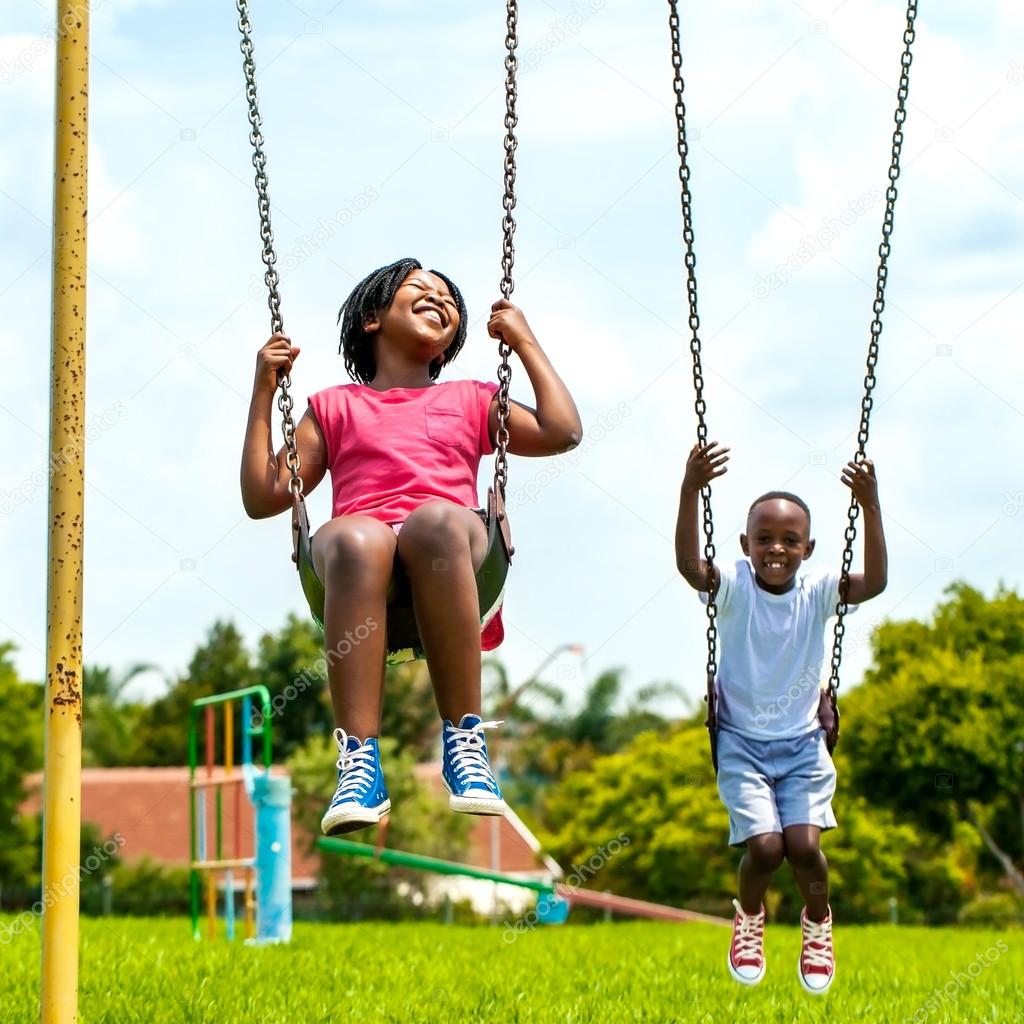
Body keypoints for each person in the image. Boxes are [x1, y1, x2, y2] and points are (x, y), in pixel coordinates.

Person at [241, 258, 581, 836]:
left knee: (432, 524)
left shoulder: (473, 398)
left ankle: (465, 743)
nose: (439, 300)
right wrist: (261, 391)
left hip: (452, 547)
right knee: (357, 534)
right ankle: (359, 762)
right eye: (419, 290)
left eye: (449, 299)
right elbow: (263, 495)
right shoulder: (333, 407)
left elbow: (561, 431)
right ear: (373, 318)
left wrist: (523, 341)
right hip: (361, 563)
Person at [675, 441, 888, 995]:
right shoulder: (734, 587)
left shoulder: (817, 593)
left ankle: (818, 924)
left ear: (808, 547)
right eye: (764, 538)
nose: (776, 548)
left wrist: (869, 504)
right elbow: (689, 566)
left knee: (805, 848)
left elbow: (876, 582)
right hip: (742, 744)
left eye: (789, 540)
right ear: (745, 544)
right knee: (765, 848)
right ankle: (749, 918)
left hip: (801, 745)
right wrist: (690, 488)